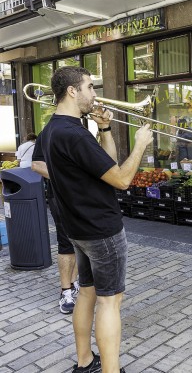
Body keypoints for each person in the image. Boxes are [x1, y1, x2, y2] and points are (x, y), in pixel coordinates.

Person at [31, 66, 153, 373]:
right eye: (90, 87)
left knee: (86, 293)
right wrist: (140, 144)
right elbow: (123, 179)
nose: (95, 94)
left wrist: (106, 130)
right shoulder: (74, 134)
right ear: (73, 91)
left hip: (77, 229)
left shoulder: (51, 130)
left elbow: (106, 166)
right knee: (110, 302)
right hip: (101, 229)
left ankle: (85, 362)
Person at [31, 144, 80, 315]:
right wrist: (68, 178)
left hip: (83, 196)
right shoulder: (50, 131)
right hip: (60, 196)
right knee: (66, 242)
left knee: (80, 241)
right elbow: (36, 165)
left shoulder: (80, 130)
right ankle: (66, 292)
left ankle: (74, 284)